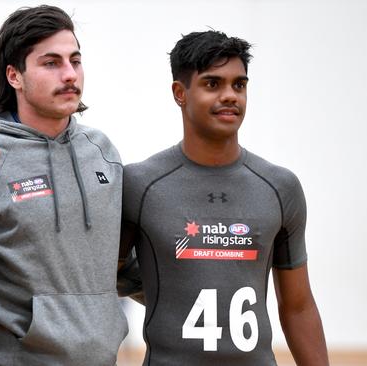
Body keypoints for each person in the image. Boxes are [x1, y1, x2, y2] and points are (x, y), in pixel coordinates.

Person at [120, 31, 329, 365]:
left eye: (239, 85)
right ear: (180, 93)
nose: (230, 95)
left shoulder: (280, 187)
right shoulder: (139, 185)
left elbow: (298, 306)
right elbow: (102, 280)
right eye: (213, 84)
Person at [0, 5, 127, 365]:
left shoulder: (103, 153)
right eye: (51, 63)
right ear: (14, 76)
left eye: (75, 61)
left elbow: (124, 263)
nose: (69, 75)